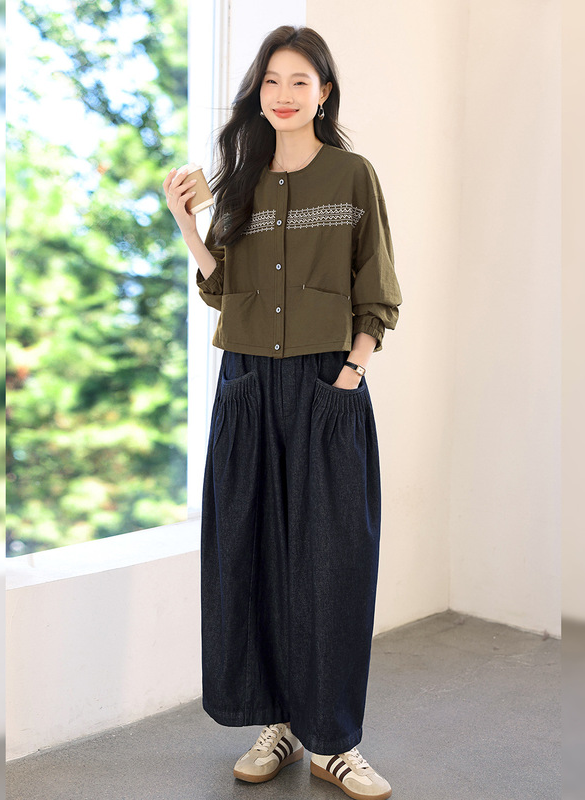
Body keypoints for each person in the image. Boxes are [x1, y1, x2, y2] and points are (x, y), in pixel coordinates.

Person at [164, 25, 402, 800]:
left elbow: (377, 286)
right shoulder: (241, 182)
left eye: (300, 81)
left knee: (333, 564)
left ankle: (335, 742)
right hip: (245, 385)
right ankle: (281, 725)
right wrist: (188, 227)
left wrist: (351, 372)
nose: (284, 94)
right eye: (272, 80)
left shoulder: (352, 176)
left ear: (324, 92)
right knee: (252, 557)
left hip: (326, 384)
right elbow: (224, 288)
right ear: (258, 93)